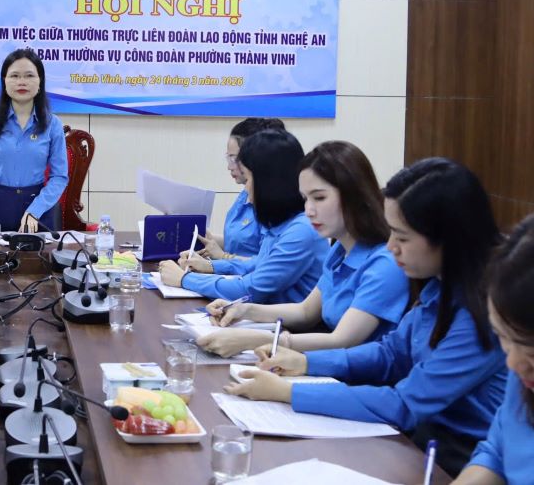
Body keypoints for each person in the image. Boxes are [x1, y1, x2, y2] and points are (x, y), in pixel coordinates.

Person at [227, 158, 507, 477]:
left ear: (447, 237)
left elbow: (405, 404)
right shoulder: (439, 286)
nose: (391, 247)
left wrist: (287, 392)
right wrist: (306, 363)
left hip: (459, 458)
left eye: (402, 237)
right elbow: (391, 354)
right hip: (421, 440)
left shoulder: (483, 312)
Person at [197, 141, 408, 357]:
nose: (309, 210)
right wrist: (244, 309)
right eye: (306, 199)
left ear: (354, 194)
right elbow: (306, 311)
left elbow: (342, 340)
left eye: (319, 198)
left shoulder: (384, 263)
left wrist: (260, 340)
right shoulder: (340, 250)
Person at [158, 129, 327, 303]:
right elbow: (258, 264)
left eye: (247, 180)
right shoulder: (280, 223)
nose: (246, 191)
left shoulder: (301, 230)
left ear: (269, 182)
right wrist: (209, 266)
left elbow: (251, 289)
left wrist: (184, 279)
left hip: (288, 328)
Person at [452, 214, 534, 485]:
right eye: (502, 337)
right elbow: (498, 452)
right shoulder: (524, 374)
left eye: (531, 351)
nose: (512, 363)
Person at [0, 47, 68, 233]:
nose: (22, 82)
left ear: (40, 82)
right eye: (14, 76)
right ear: (4, 81)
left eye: (29, 75)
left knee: (40, 261)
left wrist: (35, 211)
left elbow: (59, 176)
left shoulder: (53, 125)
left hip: (39, 211)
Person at [199, 117, 286, 261]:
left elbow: (266, 265)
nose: (229, 166)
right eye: (228, 158)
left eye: (233, 159)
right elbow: (240, 243)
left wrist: (222, 257)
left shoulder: (277, 203)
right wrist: (205, 238)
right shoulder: (246, 192)